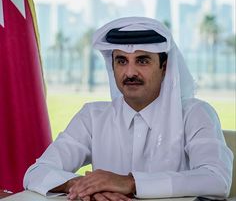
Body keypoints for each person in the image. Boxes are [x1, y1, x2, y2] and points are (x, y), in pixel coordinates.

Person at [24, 17, 233, 200]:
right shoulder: (92, 117)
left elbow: (216, 179)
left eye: (142, 61)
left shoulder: (195, 114)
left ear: (164, 67)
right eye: (121, 61)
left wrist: (130, 183)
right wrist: (86, 186)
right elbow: (36, 172)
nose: (130, 72)